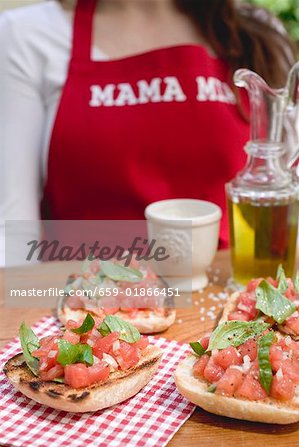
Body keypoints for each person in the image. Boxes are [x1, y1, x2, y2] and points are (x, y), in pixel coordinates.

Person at [0, 0, 296, 265]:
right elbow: (13, 227)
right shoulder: (26, 34)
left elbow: (289, 183)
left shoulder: (258, 33)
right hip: (90, 306)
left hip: (234, 303)